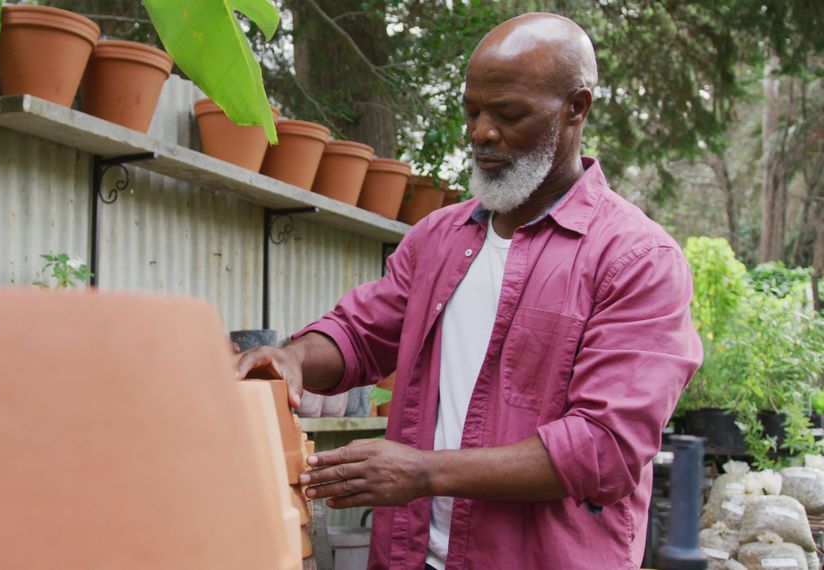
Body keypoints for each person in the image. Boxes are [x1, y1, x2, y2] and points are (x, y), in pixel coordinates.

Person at [236, 12, 704, 570]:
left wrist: (423, 471)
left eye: (508, 114)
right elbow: (362, 333)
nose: (482, 131)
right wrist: (291, 358)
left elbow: (603, 447)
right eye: (472, 110)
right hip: (413, 557)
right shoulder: (440, 236)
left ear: (577, 108)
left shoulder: (636, 259)